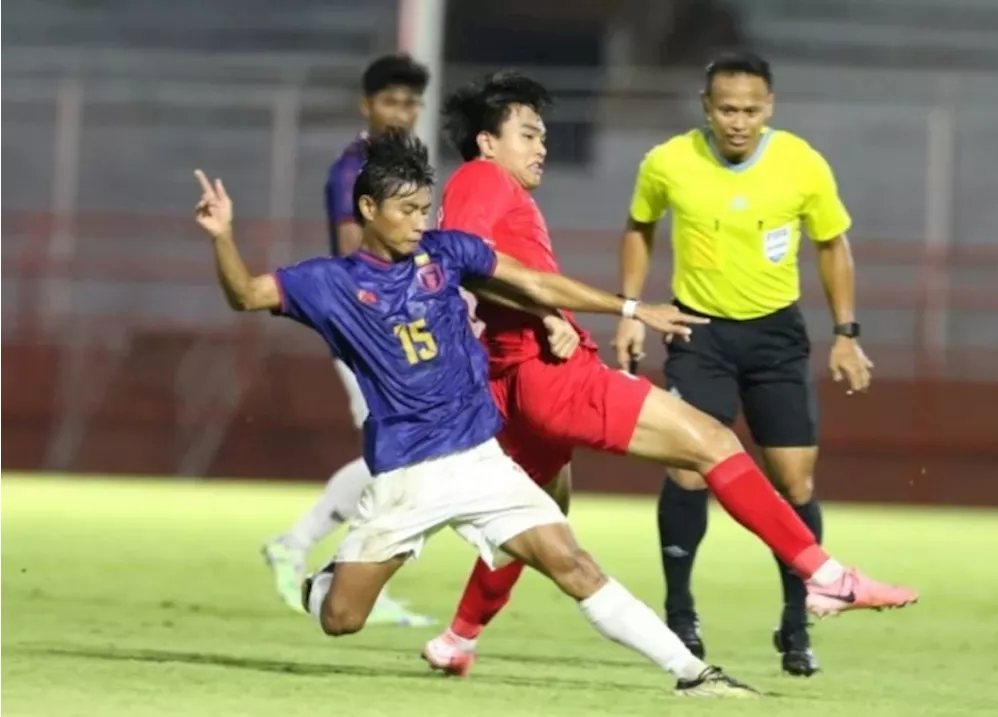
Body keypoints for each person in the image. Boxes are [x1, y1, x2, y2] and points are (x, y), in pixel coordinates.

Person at [192, 129, 757, 697]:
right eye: (407, 210)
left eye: (425, 209)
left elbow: (534, 281)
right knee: (341, 619)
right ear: (368, 208)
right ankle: (326, 583)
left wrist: (630, 307)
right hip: (408, 476)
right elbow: (246, 294)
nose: (419, 222)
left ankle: (693, 674)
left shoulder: (445, 251)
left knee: (573, 564)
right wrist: (222, 237)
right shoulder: (328, 283)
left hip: (483, 460)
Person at [420, 70, 918, 679]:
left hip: (520, 377)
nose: (541, 146)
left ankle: (457, 639)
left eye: (543, 135)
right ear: (486, 142)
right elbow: (462, 262)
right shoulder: (481, 178)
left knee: (535, 516)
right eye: (528, 134)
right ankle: (825, 577)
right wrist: (575, 311)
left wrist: (541, 310)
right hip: (550, 374)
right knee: (711, 442)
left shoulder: (498, 188)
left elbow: (483, 269)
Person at [611, 50, 883, 676]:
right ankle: (680, 614)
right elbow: (639, 225)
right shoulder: (668, 161)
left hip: (776, 338)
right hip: (696, 332)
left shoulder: (801, 162)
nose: (739, 121)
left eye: (751, 110)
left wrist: (846, 332)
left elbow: (831, 244)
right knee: (688, 472)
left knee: (796, 484)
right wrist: (630, 309)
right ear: (707, 108)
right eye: (727, 109)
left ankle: (796, 622)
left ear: (770, 108)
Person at [259, 53, 434, 626]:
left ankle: (314, 550)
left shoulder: (401, 168)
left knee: (396, 455)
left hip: (393, 326)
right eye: (391, 100)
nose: (402, 112)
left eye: (410, 101)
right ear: (367, 105)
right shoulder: (353, 171)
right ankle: (328, 558)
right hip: (366, 328)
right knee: (395, 455)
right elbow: (349, 255)